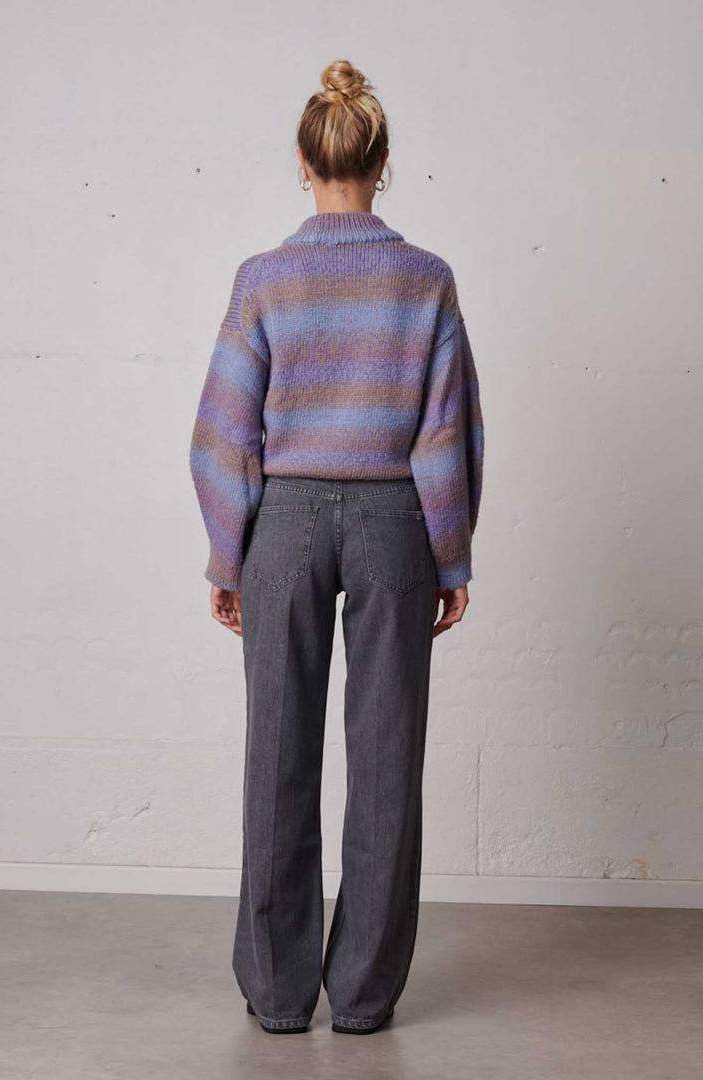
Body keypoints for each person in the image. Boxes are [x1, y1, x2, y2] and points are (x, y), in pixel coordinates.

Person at [189, 58, 485, 1036]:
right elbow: (445, 435)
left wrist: (228, 554)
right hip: (396, 522)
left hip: (282, 522)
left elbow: (225, 433)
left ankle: (278, 994)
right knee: (387, 758)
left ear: (303, 162)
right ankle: (362, 996)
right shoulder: (426, 280)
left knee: (277, 751)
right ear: (383, 161)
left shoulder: (264, 281)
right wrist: (450, 554)